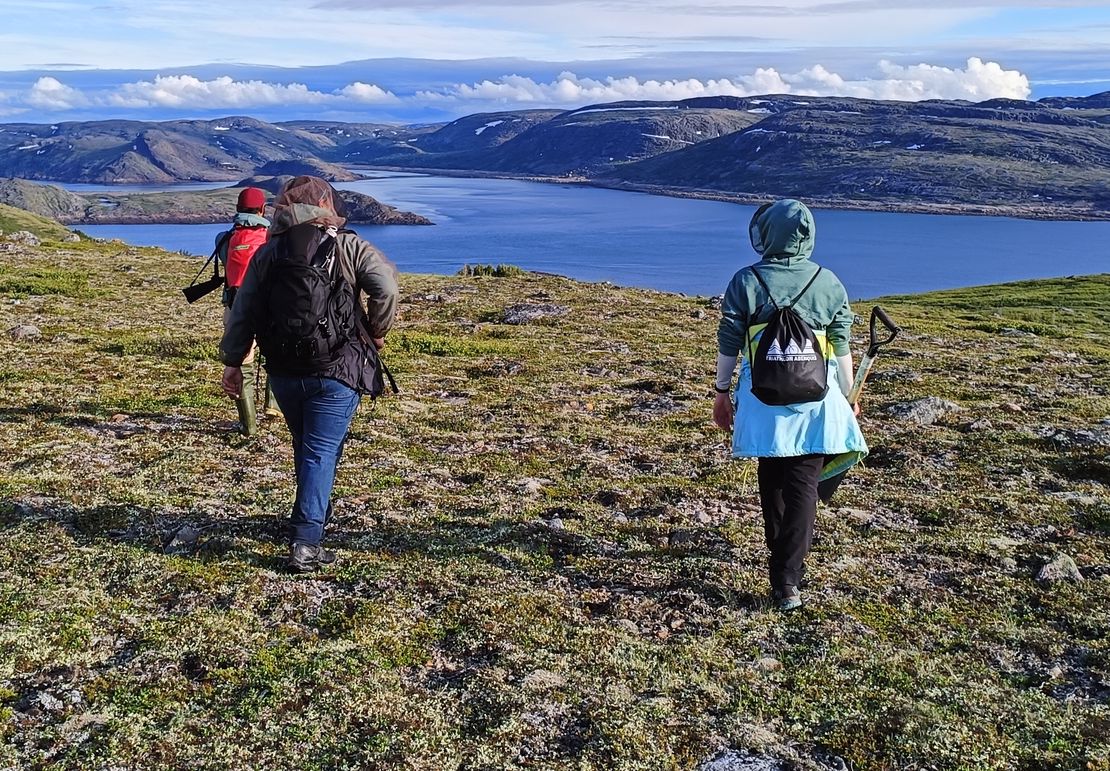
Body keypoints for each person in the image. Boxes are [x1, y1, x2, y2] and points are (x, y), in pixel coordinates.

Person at [219, 176, 399, 572]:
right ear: (326, 204)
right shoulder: (348, 246)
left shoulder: (269, 251)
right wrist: (377, 332)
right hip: (337, 368)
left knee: (307, 444)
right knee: (320, 450)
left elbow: (244, 309)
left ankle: (313, 512)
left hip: (283, 370)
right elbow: (385, 286)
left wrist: (234, 362)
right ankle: (306, 540)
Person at [712, 199, 867, 611]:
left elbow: (729, 342)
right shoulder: (828, 281)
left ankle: (782, 572)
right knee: (803, 485)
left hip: (763, 401)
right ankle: (787, 581)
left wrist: (722, 391)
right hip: (818, 401)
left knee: (773, 480)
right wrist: (850, 396)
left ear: (765, 234)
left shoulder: (747, 281)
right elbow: (842, 346)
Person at [217, 186, 275, 436]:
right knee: (276, 356)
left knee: (243, 364)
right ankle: (274, 405)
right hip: (270, 308)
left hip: (236, 308)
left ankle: (248, 425)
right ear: (263, 209)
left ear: (237, 209)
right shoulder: (272, 238)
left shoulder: (224, 238)